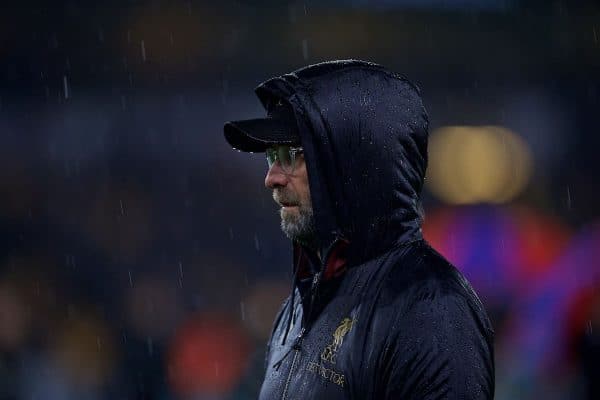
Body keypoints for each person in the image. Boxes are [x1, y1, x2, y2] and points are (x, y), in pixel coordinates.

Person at [224, 60, 494, 399]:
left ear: (354, 166)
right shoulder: (301, 301)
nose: (272, 177)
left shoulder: (431, 308)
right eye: (272, 156)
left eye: (292, 155)